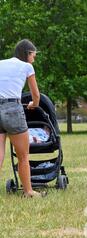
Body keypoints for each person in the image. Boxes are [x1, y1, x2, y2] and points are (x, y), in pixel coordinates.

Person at [0, 39, 41, 197]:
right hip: (13, 109)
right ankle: (28, 191)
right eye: (33, 55)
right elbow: (35, 94)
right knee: (23, 155)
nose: (34, 58)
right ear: (27, 53)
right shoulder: (27, 66)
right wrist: (34, 104)